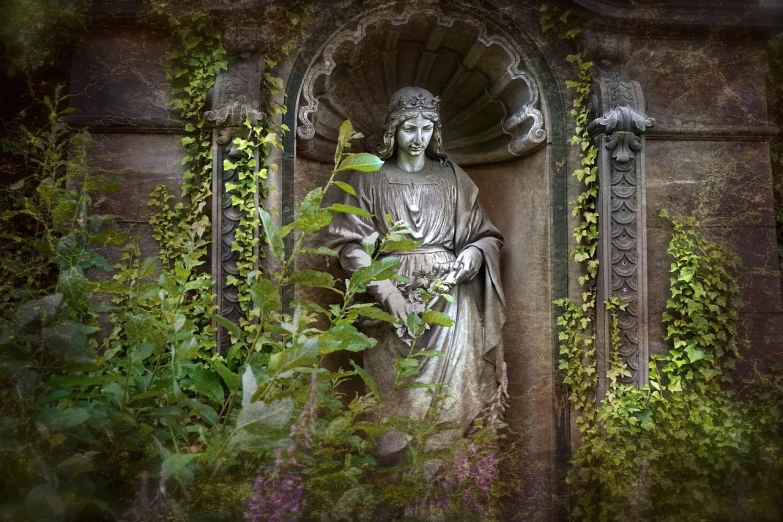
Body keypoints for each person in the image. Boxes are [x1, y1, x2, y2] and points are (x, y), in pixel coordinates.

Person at [327, 87, 506, 459]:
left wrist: (474, 253)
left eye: (426, 129)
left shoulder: (453, 177)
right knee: (395, 402)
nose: (418, 138)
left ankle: (447, 492)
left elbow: (485, 235)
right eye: (410, 128)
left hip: (450, 297)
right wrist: (388, 292)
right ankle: (396, 491)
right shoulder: (368, 177)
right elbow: (348, 245)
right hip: (390, 293)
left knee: (453, 399)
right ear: (393, 129)